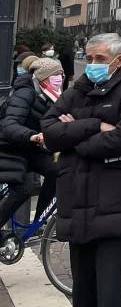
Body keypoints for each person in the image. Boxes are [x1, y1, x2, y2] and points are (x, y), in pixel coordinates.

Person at [41, 32, 121, 307]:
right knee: (82, 291)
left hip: (116, 204)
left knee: (109, 291)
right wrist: (93, 125)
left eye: (100, 59)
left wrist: (73, 136)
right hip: (76, 202)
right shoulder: (76, 91)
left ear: (119, 61)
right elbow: (49, 131)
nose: (93, 63)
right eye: (90, 57)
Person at [0, 58, 63, 229]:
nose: (60, 78)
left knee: (57, 170)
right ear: (44, 77)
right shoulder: (25, 93)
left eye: (61, 74)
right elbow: (9, 126)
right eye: (56, 74)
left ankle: (40, 221)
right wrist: (33, 136)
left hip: (30, 149)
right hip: (9, 148)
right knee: (24, 188)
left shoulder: (52, 95)